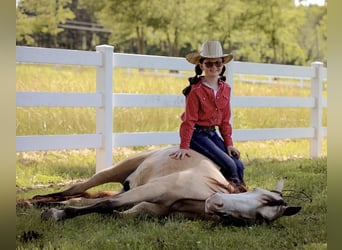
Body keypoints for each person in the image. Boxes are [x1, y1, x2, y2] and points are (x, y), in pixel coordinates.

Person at [169, 41, 245, 191]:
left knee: (238, 164)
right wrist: (184, 146)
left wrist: (229, 144)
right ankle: (234, 191)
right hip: (197, 135)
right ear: (201, 65)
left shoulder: (226, 89)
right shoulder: (195, 91)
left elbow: (225, 121)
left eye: (218, 63)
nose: (214, 67)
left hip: (212, 134)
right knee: (228, 164)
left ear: (223, 64)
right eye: (209, 64)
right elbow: (189, 121)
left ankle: (240, 189)